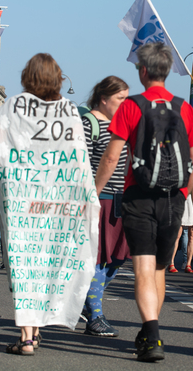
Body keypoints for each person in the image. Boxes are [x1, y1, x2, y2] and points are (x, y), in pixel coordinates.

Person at [94, 42, 193, 362]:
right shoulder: (184, 108)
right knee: (158, 268)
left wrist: (95, 190)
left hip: (139, 197)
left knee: (142, 266)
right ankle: (151, 330)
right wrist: (184, 192)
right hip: (173, 199)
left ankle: (152, 333)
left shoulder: (132, 106)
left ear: (142, 71)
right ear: (167, 71)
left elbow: (112, 156)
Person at [0, 53, 99, 355]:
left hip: (22, 199)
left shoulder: (12, 106)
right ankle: (35, 331)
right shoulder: (68, 110)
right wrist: (85, 195)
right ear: (57, 78)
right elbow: (79, 157)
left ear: (28, 76)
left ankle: (27, 335)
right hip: (58, 201)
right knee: (48, 262)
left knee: (25, 263)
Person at [80, 76, 131, 336]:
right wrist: (89, 198)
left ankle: (85, 301)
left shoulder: (118, 124)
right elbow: (82, 164)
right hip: (100, 199)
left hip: (121, 198)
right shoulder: (88, 123)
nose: (124, 103)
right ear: (104, 98)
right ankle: (95, 316)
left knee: (119, 257)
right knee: (99, 258)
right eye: (120, 98)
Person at [168, 186, 193, 273]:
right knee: (177, 234)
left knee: (192, 235)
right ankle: (171, 263)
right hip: (182, 199)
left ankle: (188, 264)